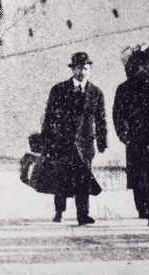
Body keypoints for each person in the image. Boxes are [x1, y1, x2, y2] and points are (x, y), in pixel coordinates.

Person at [42, 52, 107, 224]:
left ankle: (82, 214)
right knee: (61, 177)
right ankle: (59, 211)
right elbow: (49, 118)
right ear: (72, 69)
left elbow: (101, 119)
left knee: (83, 179)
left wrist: (101, 141)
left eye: (85, 68)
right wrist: (46, 143)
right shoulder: (58, 90)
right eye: (78, 68)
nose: (82, 72)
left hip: (85, 144)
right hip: (63, 142)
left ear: (90, 69)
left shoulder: (96, 93)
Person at [113, 46, 149, 227]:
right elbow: (119, 114)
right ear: (142, 65)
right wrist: (125, 134)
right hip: (143, 137)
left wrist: (124, 135)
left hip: (146, 138)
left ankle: (148, 210)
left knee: (143, 174)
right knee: (147, 175)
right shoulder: (135, 87)